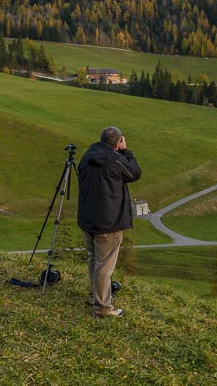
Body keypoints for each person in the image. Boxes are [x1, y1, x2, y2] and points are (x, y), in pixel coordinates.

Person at [77, 126, 142, 318]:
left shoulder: (87, 156)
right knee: (104, 266)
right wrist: (125, 151)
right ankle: (102, 308)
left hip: (88, 218)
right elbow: (135, 173)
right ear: (117, 142)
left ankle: (94, 295)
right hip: (108, 221)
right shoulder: (115, 160)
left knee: (93, 259)